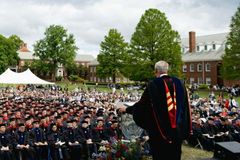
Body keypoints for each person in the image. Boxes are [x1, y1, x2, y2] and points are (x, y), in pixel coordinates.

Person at [119, 60, 192, 160]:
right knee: (175, 155)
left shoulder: (153, 84)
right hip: (177, 131)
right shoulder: (179, 83)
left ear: (156, 71)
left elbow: (142, 106)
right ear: (167, 70)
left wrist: (127, 109)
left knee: (160, 155)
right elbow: (185, 106)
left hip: (159, 131)